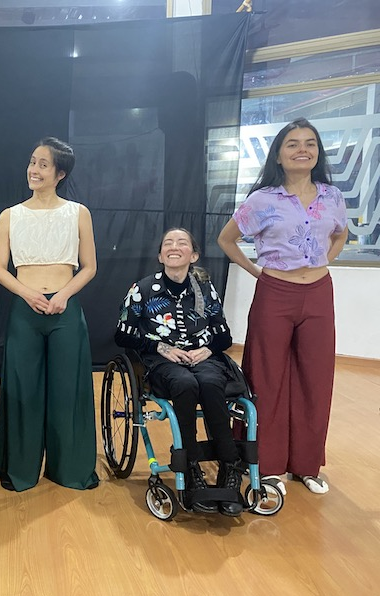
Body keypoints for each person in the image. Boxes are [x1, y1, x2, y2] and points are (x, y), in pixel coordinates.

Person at [218, 118, 348, 495]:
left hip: (319, 293)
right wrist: (257, 271)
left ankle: (306, 465)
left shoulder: (332, 196)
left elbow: (341, 234)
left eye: (310, 143)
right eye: (292, 144)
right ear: (278, 154)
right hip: (275, 292)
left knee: (316, 378)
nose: (302, 149)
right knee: (266, 377)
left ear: (318, 152)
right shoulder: (262, 200)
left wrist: (323, 260)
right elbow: (227, 240)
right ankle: (267, 463)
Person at [0, 136, 99, 492]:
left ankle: (71, 469)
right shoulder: (10, 215)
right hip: (26, 309)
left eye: (42, 164)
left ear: (60, 173)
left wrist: (63, 295)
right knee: (23, 389)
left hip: (65, 309)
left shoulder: (78, 213)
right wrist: (28, 294)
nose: (33, 170)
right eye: (32, 162)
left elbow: (89, 266)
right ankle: (20, 470)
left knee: (68, 389)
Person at [116, 228, 243, 517]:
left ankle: (230, 466)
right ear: (161, 256)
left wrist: (208, 349)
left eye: (182, 243)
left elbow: (224, 336)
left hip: (202, 357)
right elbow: (121, 334)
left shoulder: (206, 289)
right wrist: (160, 347)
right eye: (168, 243)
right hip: (162, 360)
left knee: (210, 383)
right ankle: (190, 465)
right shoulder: (143, 289)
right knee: (185, 383)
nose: (174, 247)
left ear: (194, 255)